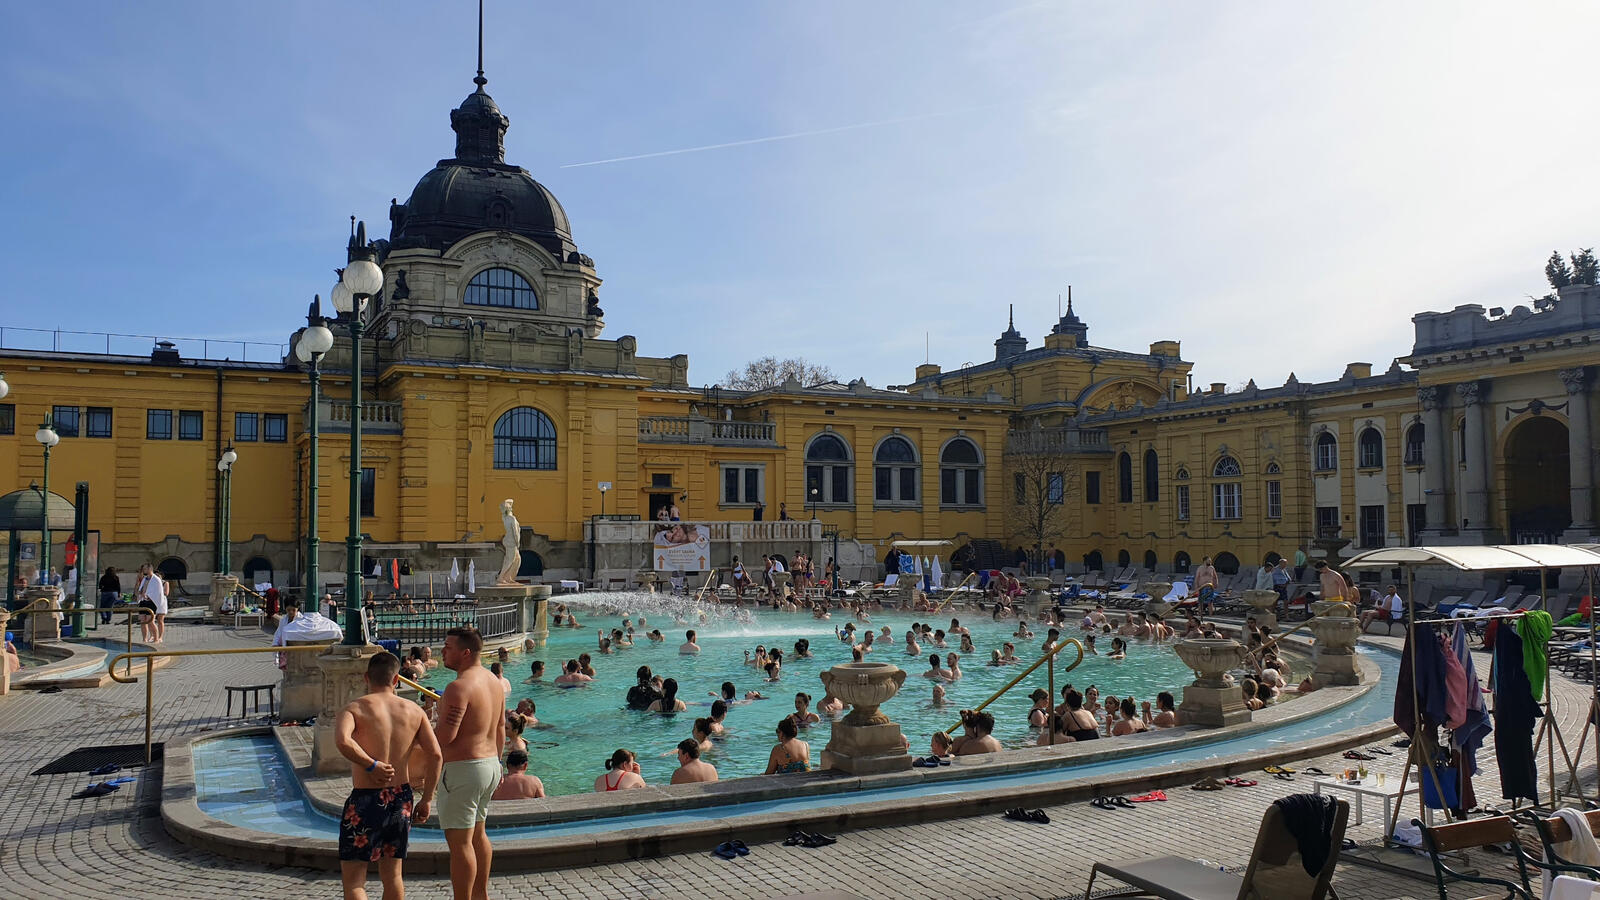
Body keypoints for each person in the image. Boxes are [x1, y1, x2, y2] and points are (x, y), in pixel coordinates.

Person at [333, 651, 442, 900]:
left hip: (365, 799)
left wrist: (371, 765)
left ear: (366, 678)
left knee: (354, 882)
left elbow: (342, 740)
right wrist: (427, 798)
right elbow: (436, 755)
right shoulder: (415, 711)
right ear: (396, 681)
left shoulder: (354, 709)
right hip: (400, 799)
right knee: (393, 876)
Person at [433, 626, 504, 900]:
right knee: (479, 836)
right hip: (489, 765)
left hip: (463, 770)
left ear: (464, 652)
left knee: (460, 844)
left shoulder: (458, 687)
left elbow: (445, 737)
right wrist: (498, 765)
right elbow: (500, 728)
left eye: (447, 647)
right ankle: (480, 895)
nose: (443, 652)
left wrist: (419, 733)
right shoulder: (493, 682)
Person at [135, 563, 167, 644]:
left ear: (150, 569)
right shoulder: (145, 579)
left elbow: (158, 592)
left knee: (150, 621)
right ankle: (144, 639)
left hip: (151, 602)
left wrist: (148, 596)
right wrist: (140, 592)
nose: (144, 570)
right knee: (142, 620)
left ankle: (156, 638)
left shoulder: (156, 579)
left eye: (145, 569)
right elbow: (141, 588)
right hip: (143, 601)